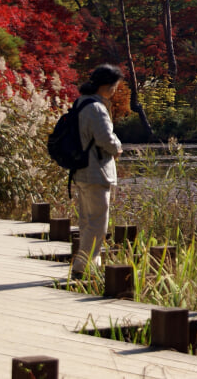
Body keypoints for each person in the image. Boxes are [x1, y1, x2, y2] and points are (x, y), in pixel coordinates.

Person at [71, 64, 124, 278]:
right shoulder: (96, 108)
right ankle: (82, 269)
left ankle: (92, 267)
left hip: (81, 171)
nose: (114, 91)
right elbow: (105, 139)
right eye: (114, 86)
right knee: (98, 224)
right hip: (96, 172)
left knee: (87, 221)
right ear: (106, 85)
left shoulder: (80, 103)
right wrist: (118, 148)